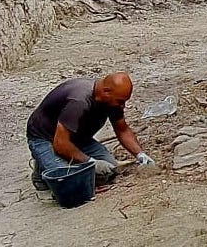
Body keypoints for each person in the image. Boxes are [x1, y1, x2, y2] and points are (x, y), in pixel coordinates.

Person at [26, 71, 155, 191]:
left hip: (77, 137)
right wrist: (90, 162)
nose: (122, 106)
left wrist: (140, 154)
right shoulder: (79, 101)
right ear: (106, 91)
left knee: (109, 169)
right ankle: (41, 170)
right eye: (120, 102)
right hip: (45, 138)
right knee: (68, 181)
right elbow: (60, 143)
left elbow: (122, 130)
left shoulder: (112, 99)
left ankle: (59, 160)